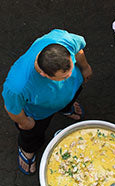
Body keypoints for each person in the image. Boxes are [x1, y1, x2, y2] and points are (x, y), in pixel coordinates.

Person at [2, 29, 92, 175]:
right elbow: (12, 107)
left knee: (72, 95)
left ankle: (66, 108)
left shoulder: (62, 38)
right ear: (44, 74)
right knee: (33, 134)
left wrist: (85, 68)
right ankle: (27, 150)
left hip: (69, 93)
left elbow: (78, 50)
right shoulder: (18, 85)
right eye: (64, 77)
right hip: (40, 113)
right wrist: (24, 122)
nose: (71, 75)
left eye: (71, 68)